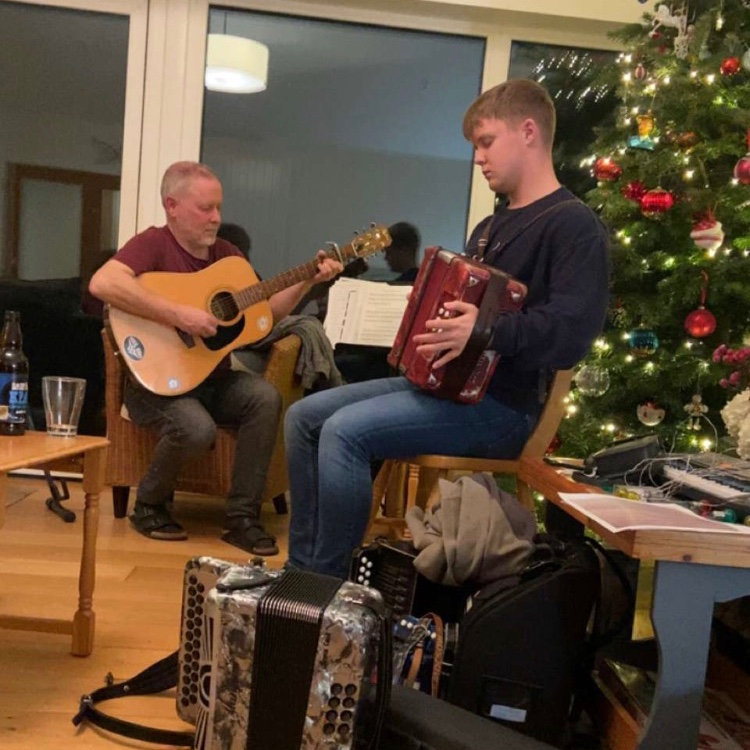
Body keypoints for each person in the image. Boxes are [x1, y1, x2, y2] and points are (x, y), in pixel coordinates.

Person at [283, 79, 611, 578]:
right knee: (303, 418)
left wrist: (486, 330)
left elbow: (572, 333)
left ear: (528, 132)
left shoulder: (573, 225)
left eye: (486, 142)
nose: (478, 158)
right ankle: (299, 575)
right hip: (447, 390)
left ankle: (327, 586)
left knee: (345, 433)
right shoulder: (490, 227)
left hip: (504, 408)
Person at [89, 161, 342, 554]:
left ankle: (241, 519)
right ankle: (149, 505)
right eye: (205, 208)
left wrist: (307, 280)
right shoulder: (153, 244)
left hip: (212, 377)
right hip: (155, 384)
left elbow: (265, 315)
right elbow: (103, 282)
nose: (216, 218)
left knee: (264, 397)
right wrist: (178, 315)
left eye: (218, 208)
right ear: (172, 206)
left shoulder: (228, 257)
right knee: (195, 428)